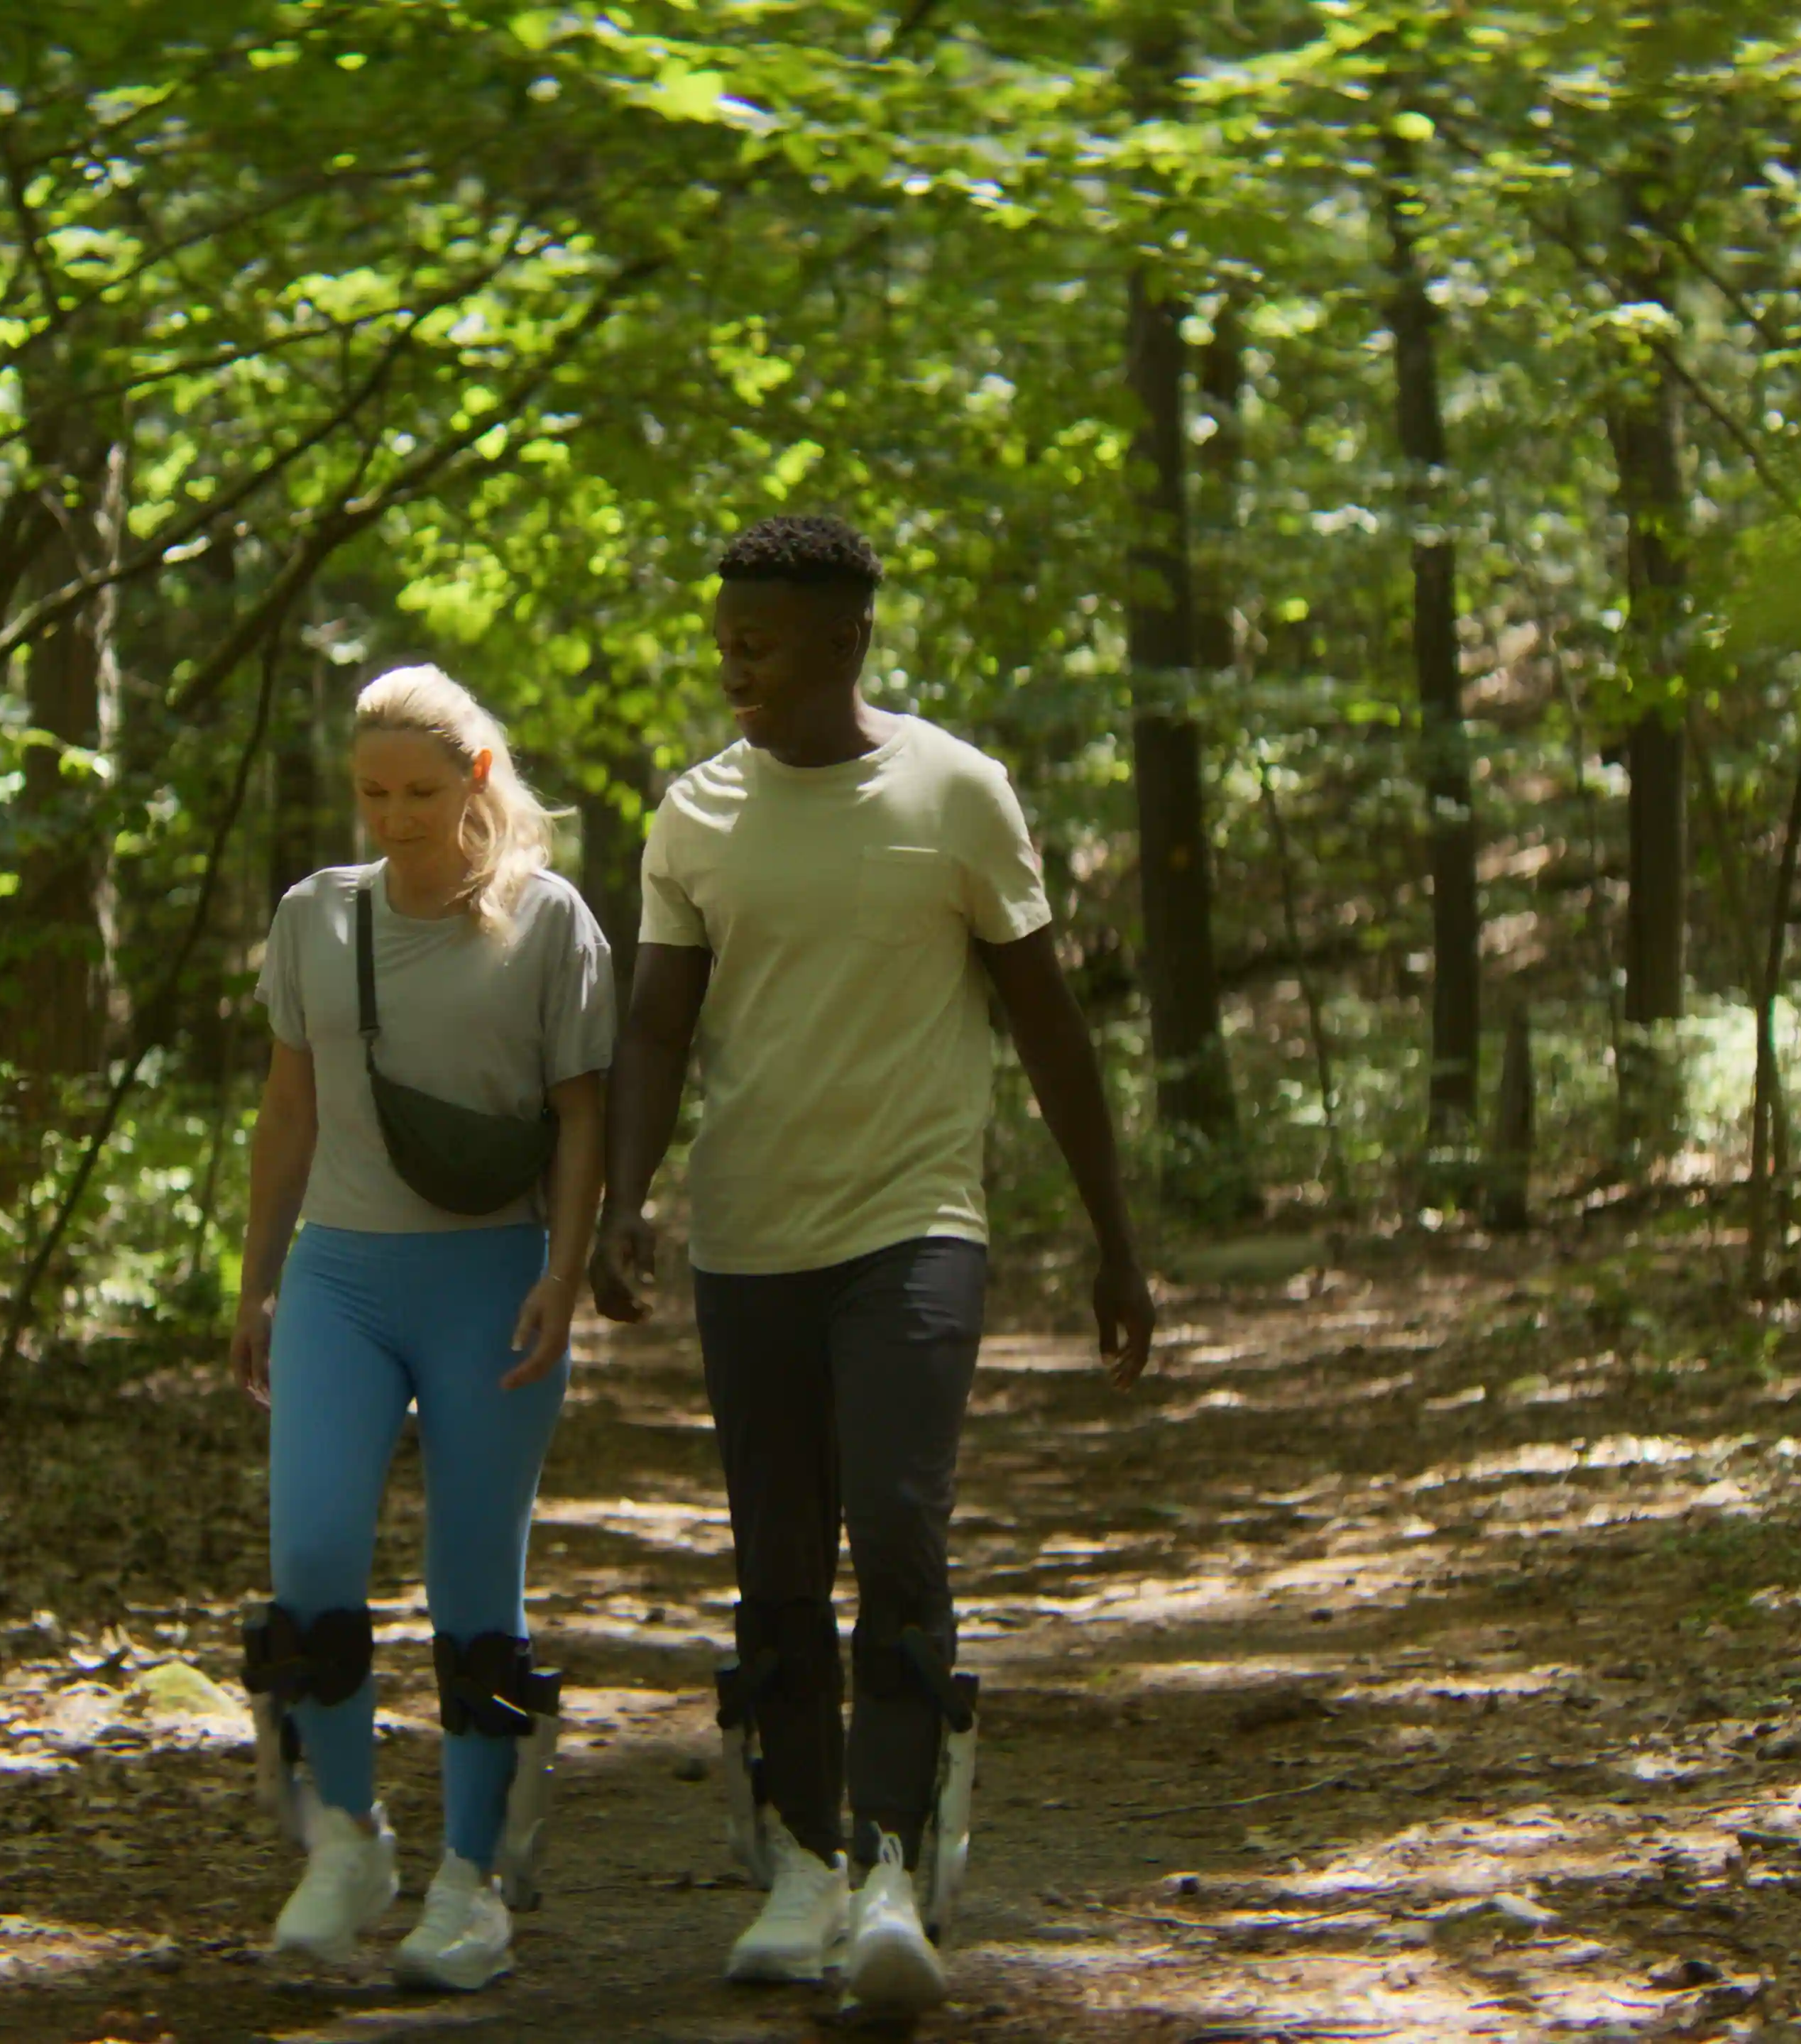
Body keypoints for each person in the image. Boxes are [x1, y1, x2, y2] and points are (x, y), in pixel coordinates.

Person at [591, 514, 1159, 2015]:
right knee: (776, 1556)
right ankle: (798, 1859)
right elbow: (653, 1026)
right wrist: (623, 1199)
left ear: (847, 643)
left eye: (761, 642)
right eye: (724, 640)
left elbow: (1048, 1021)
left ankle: (896, 1865)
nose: (735, 667)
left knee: (898, 1528)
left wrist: (1114, 1239)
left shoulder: (957, 795)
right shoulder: (694, 816)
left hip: (915, 1220)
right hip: (753, 1233)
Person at [230, 664, 618, 1992]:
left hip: (489, 1277)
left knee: (474, 1583)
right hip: (340, 1277)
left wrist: (564, 1273)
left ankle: (472, 1879)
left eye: (420, 792)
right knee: (314, 1562)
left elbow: (583, 1117)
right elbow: (287, 1113)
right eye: (371, 793)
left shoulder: (547, 923)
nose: (392, 818)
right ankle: (346, 1839)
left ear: (480, 782)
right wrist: (255, 1282)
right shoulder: (315, 921)